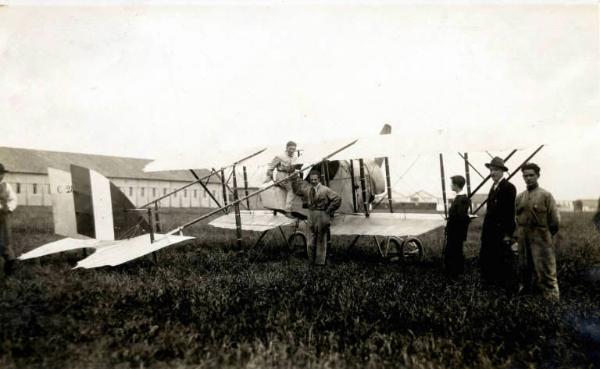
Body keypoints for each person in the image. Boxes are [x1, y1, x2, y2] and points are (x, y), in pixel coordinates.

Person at [515, 163, 560, 301]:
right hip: (523, 238)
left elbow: (554, 221)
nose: (528, 178)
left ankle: (551, 301)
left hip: (541, 239)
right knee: (524, 269)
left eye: (531, 175)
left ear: (538, 176)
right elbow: (516, 218)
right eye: (525, 176)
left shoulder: (546, 195)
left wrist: (545, 236)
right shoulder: (519, 197)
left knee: (546, 271)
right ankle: (526, 299)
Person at [480, 156, 516, 287]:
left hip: (500, 233)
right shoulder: (493, 187)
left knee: (501, 260)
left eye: (495, 170)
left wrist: (507, 234)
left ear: (502, 171)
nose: (492, 173)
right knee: (489, 259)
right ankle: (490, 285)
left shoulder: (508, 187)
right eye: (490, 170)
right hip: (489, 232)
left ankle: (502, 289)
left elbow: (509, 214)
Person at [292, 169, 341, 265]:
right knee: (310, 241)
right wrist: (294, 176)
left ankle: (320, 263)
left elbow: (337, 199)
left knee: (321, 240)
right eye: (311, 180)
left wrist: (328, 210)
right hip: (311, 215)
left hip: (322, 215)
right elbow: (298, 189)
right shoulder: (308, 189)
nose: (313, 181)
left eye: (315, 179)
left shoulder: (325, 190)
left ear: (319, 179)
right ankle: (311, 261)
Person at [444, 175, 471, 279]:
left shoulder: (462, 199)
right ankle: (454, 272)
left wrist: (450, 221)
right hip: (455, 231)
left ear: (456, 185)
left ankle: (455, 273)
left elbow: (460, 216)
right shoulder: (460, 198)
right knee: (454, 251)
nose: (451, 185)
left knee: (454, 251)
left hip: (456, 232)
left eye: (452, 183)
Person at [265, 141, 299, 211]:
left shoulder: (295, 157)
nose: (292, 151)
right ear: (286, 148)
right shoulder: (280, 156)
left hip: (291, 176)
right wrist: (270, 178)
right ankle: (288, 209)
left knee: (300, 186)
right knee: (291, 189)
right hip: (281, 176)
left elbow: (296, 168)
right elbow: (270, 168)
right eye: (290, 148)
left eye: (294, 149)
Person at [0, 163, 17, 278]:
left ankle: (8, 274)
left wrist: (9, 208)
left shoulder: (6, 186)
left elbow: (13, 199)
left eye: (1, 174)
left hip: (3, 217)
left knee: (5, 242)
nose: (0, 176)